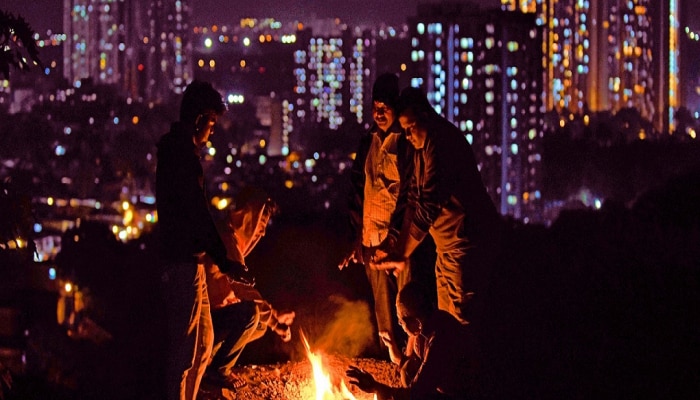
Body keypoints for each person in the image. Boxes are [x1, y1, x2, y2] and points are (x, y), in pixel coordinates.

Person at [156, 80, 254, 400]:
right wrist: (226, 263)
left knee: (203, 344)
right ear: (199, 119)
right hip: (182, 262)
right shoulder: (182, 156)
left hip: (190, 261)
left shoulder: (177, 151)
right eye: (211, 122)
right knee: (186, 350)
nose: (212, 131)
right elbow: (198, 215)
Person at [371, 87, 501, 326]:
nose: (408, 136)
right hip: (446, 249)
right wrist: (397, 248)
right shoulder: (419, 147)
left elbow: (428, 207)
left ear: (426, 116)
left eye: (410, 128)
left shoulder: (442, 144)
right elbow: (413, 200)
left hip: (465, 245)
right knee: (447, 319)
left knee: (462, 321)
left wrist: (402, 254)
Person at [340, 72, 418, 363]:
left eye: (386, 107)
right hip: (371, 242)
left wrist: (395, 240)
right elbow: (357, 193)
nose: (380, 113)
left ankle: (416, 359)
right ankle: (396, 358)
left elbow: (409, 195)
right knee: (382, 310)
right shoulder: (368, 142)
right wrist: (356, 238)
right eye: (376, 106)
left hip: (398, 246)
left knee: (409, 306)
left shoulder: (405, 142)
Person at [201, 187, 295, 392]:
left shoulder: (231, 240)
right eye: (261, 223)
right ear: (247, 217)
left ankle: (212, 361)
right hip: (207, 318)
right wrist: (277, 325)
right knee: (251, 314)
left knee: (259, 324)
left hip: (218, 314)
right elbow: (245, 292)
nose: (262, 232)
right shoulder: (226, 239)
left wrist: (274, 317)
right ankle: (218, 370)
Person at [346, 280, 481, 399]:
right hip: (441, 385)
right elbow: (412, 368)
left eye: (401, 320)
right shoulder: (425, 329)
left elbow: (414, 394)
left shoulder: (439, 341)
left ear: (416, 322)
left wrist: (376, 387)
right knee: (407, 371)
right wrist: (394, 350)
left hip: (462, 395)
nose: (400, 324)